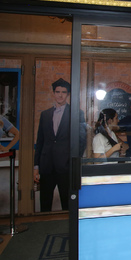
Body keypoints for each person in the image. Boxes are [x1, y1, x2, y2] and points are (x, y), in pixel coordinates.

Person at [34, 78, 86, 212]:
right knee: (45, 203)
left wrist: (73, 162)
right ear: (53, 93)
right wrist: (36, 166)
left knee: (67, 204)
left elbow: (82, 140)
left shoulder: (76, 113)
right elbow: (40, 141)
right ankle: (43, 230)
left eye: (63, 92)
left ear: (68, 94)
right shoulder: (45, 114)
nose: (60, 95)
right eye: (57, 92)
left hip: (66, 166)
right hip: (47, 166)